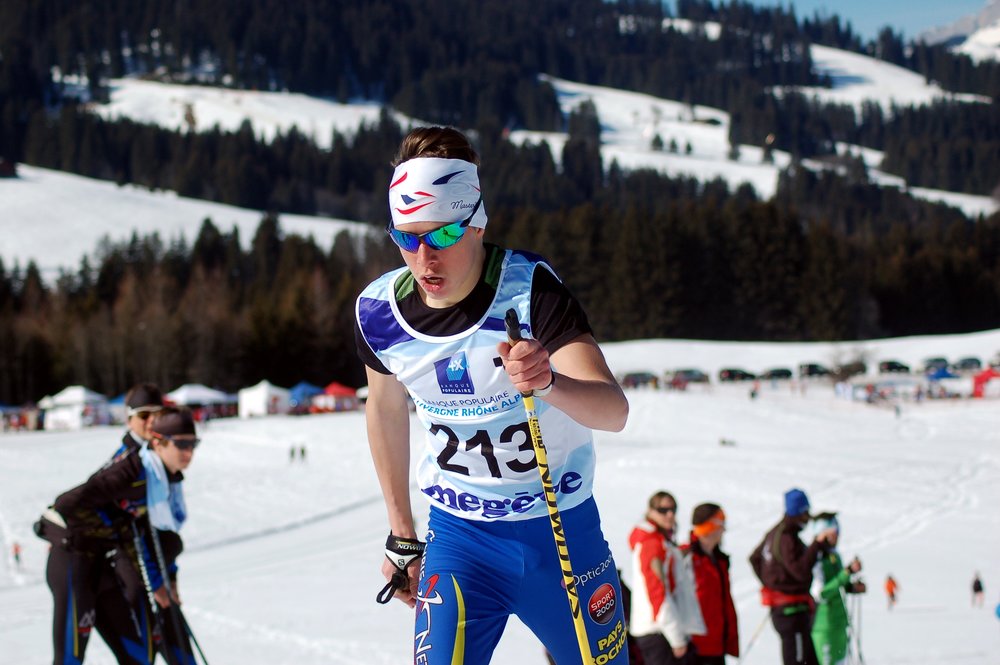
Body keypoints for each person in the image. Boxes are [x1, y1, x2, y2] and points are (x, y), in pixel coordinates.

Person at [354, 126, 630, 664]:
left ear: (477, 223)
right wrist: (402, 535)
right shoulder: (379, 312)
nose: (424, 258)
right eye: (407, 237)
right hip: (461, 542)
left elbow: (613, 410)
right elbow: (384, 408)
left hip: (560, 534)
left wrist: (550, 382)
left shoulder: (530, 291)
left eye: (442, 235)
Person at [36, 406, 199, 665]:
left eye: (193, 444)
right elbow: (66, 505)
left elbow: (154, 535)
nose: (189, 452)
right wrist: (102, 528)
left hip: (105, 566)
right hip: (74, 562)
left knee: (139, 658)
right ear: (158, 442)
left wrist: (166, 578)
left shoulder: (163, 480)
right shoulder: (133, 470)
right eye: (182, 444)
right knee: (69, 659)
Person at [749, 488, 834, 665]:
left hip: (789, 610)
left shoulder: (775, 533)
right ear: (799, 512)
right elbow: (800, 571)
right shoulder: (787, 538)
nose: (808, 518)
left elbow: (755, 558)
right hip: (791, 612)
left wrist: (772, 583)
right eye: (806, 513)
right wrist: (816, 546)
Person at [628, 491, 704, 664]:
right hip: (658, 631)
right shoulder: (651, 543)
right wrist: (676, 637)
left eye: (673, 509)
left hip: (658, 630)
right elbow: (657, 592)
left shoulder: (659, 540)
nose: (669, 514)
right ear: (650, 511)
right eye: (662, 510)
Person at [682, 503, 738, 665]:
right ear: (710, 526)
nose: (724, 529)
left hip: (717, 644)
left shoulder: (719, 560)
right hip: (694, 647)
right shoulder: (685, 557)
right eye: (721, 523)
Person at [807, 513, 865, 665]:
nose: (837, 537)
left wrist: (852, 586)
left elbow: (839, 583)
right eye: (834, 533)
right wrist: (847, 573)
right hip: (823, 626)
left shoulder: (834, 556)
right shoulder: (815, 557)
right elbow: (821, 593)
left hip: (840, 623)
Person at [117, 383, 165, 456]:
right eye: (144, 414)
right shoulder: (125, 460)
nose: (152, 419)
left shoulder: (166, 451)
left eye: (157, 413)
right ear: (129, 420)